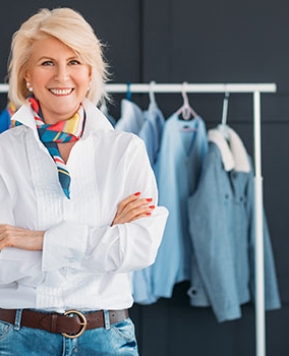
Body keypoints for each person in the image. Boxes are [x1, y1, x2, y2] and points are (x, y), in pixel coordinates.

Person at [0, 7, 168, 355]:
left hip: (106, 338)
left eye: (74, 61)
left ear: (90, 73)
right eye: (47, 62)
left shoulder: (125, 150)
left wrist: (34, 240)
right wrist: (103, 235)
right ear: (27, 75)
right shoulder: (3, 153)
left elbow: (139, 248)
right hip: (19, 338)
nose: (62, 75)